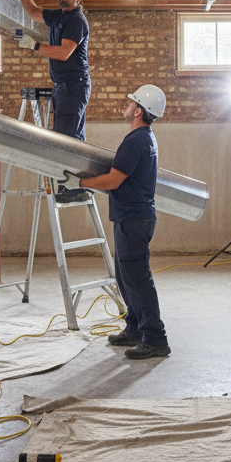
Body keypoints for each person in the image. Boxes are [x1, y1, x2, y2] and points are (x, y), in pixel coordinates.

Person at [77, 85, 169, 360]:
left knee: (138, 280)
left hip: (134, 219)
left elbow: (113, 180)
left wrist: (81, 183)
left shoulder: (136, 141)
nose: (126, 105)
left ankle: (155, 338)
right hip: (131, 218)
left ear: (138, 111)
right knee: (126, 278)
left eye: (131, 102)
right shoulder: (144, 137)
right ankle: (135, 329)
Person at [15, 0, 91, 201]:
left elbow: (64, 52)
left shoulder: (76, 21)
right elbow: (33, 11)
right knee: (71, 136)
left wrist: (35, 46)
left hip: (74, 85)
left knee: (66, 139)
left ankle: (73, 188)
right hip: (64, 86)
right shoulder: (59, 16)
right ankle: (75, 186)